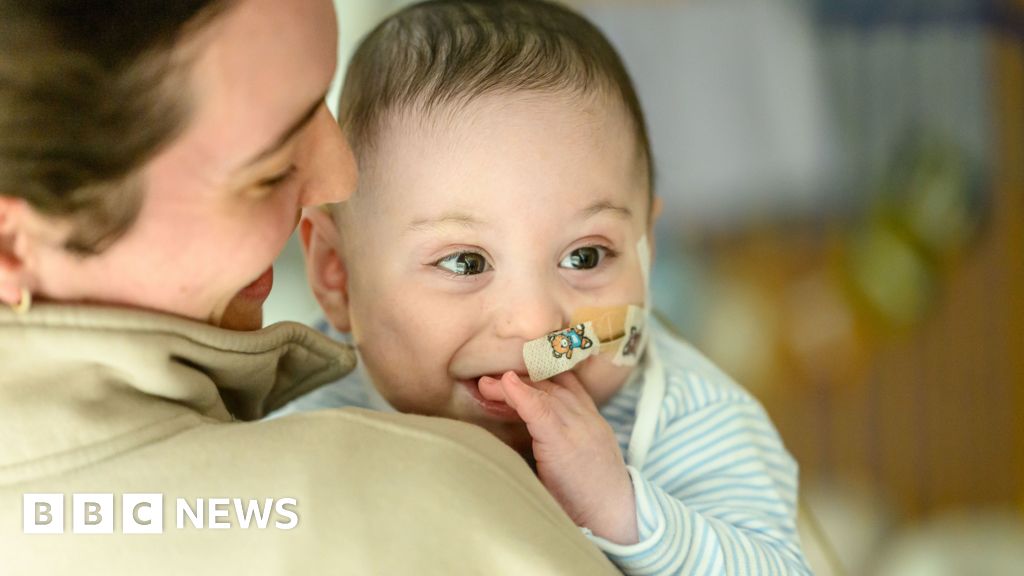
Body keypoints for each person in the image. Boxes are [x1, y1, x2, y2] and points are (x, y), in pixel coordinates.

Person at [0, 1, 619, 574]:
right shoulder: (433, 501)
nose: (342, 174)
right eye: (268, 171)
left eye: (323, 96)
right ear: (11, 243)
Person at [280, 0, 813, 573]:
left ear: (646, 250)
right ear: (337, 275)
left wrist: (622, 510)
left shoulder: (690, 420)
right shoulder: (296, 406)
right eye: (465, 263)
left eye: (585, 256)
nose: (536, 323)